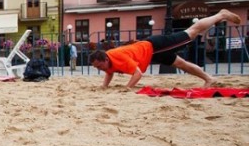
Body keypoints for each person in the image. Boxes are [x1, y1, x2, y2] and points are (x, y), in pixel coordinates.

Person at [89, 9, 241, 88]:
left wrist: (127, 88)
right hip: (151, 54)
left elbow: (137, 74)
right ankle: (209, 79)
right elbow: (109, 73)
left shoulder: (117, 57)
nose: (100, 69)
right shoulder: (107, 61)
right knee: (182, 64)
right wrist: (104, 86)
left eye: (99, 66)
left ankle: (220, 15)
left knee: (192, 32)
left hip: (156, 46)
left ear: (105, 59)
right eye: (97, 67)